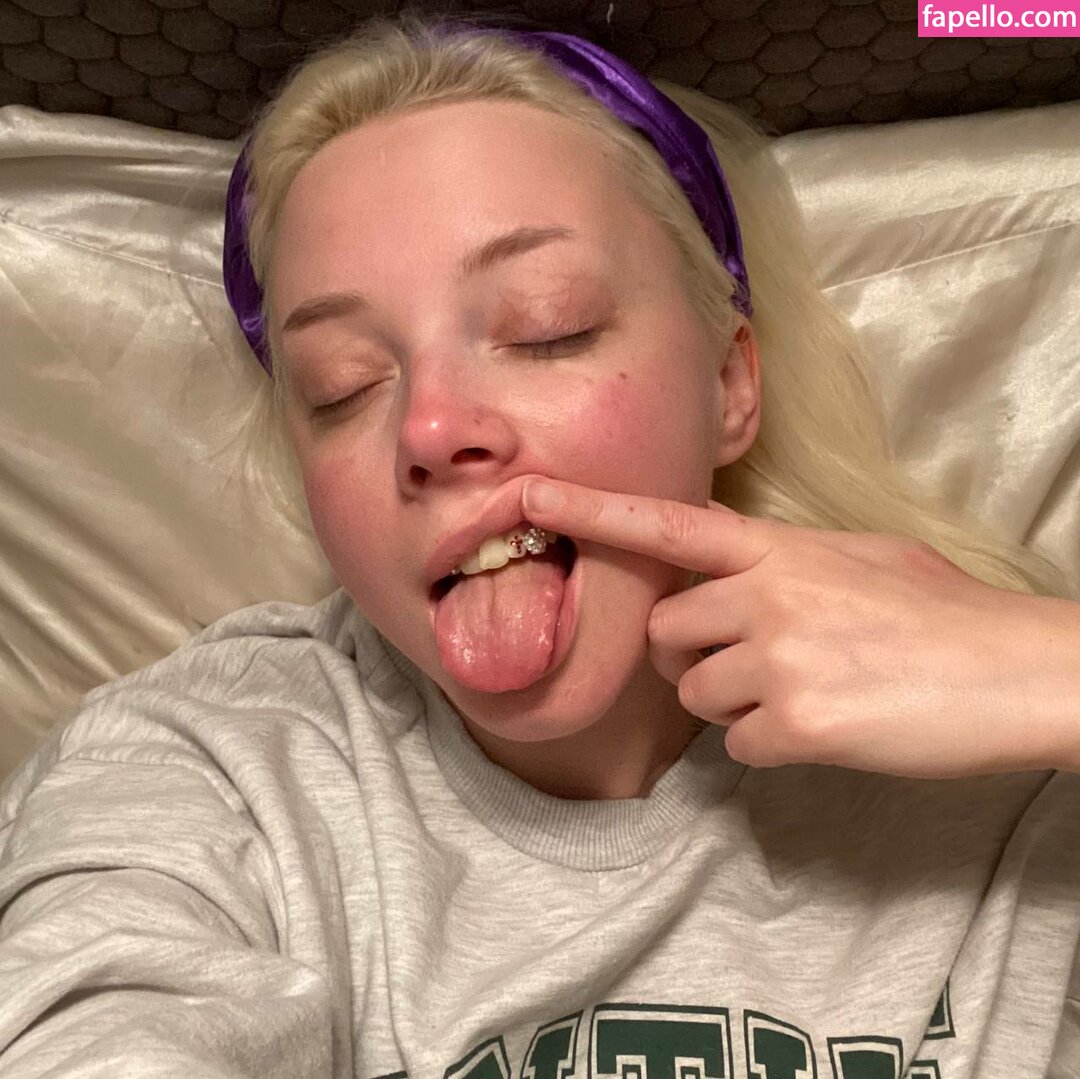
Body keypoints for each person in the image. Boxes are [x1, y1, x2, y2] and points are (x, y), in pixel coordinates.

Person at [1, 10, 1079, 1077]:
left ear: (728, 384)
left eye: (544, 325)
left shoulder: (1016, 758)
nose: (429, 428)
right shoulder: (211, 766)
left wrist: (1047, 667)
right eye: (344, 387)